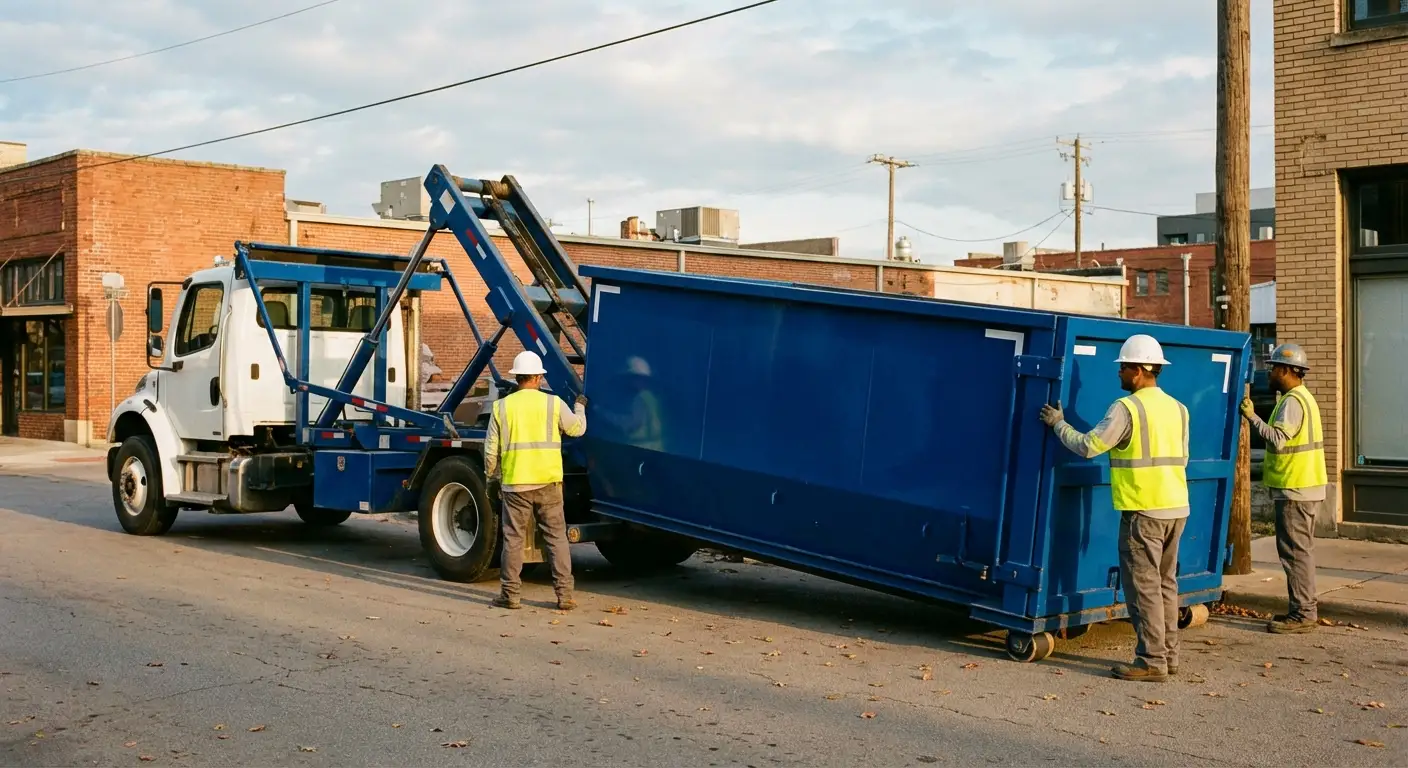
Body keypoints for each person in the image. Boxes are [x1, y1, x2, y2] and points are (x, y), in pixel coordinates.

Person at [1039, 334, 1189, 683]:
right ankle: (1169, 655)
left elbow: (1090, 446)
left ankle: (1151, 660)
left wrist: (1057, 424)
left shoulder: (1127, 408)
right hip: (1176, 507)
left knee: (1144, 588)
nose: (1118, 374)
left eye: (1123, 368)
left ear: (1139, 371)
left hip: (1144, 511)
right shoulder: (1179, 408)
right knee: (1166, 584)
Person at [484, 350, 587, 611]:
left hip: (516, 484)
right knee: (556, 539)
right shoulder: (553, 403)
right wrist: (580, 407)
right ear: (539, 378)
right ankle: (564, 596)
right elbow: (577, 429)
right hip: (549, 482)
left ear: (517, 378)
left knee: (513, 540)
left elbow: (490, 450)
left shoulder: (501, 407)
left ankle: (511, 595)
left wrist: (491, 477)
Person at [1239, 343, 1325, 634]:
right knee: (1300, 551)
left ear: (1288, 371)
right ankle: (1302, 608)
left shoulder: (1292, 402)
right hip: (1304, 487)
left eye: (1275, 368)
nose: (1271, 373)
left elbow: (1278, 439)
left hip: (1295, 489)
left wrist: (1252, 417)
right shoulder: (1303, 398)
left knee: (1295, 553)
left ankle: (1303, 613)